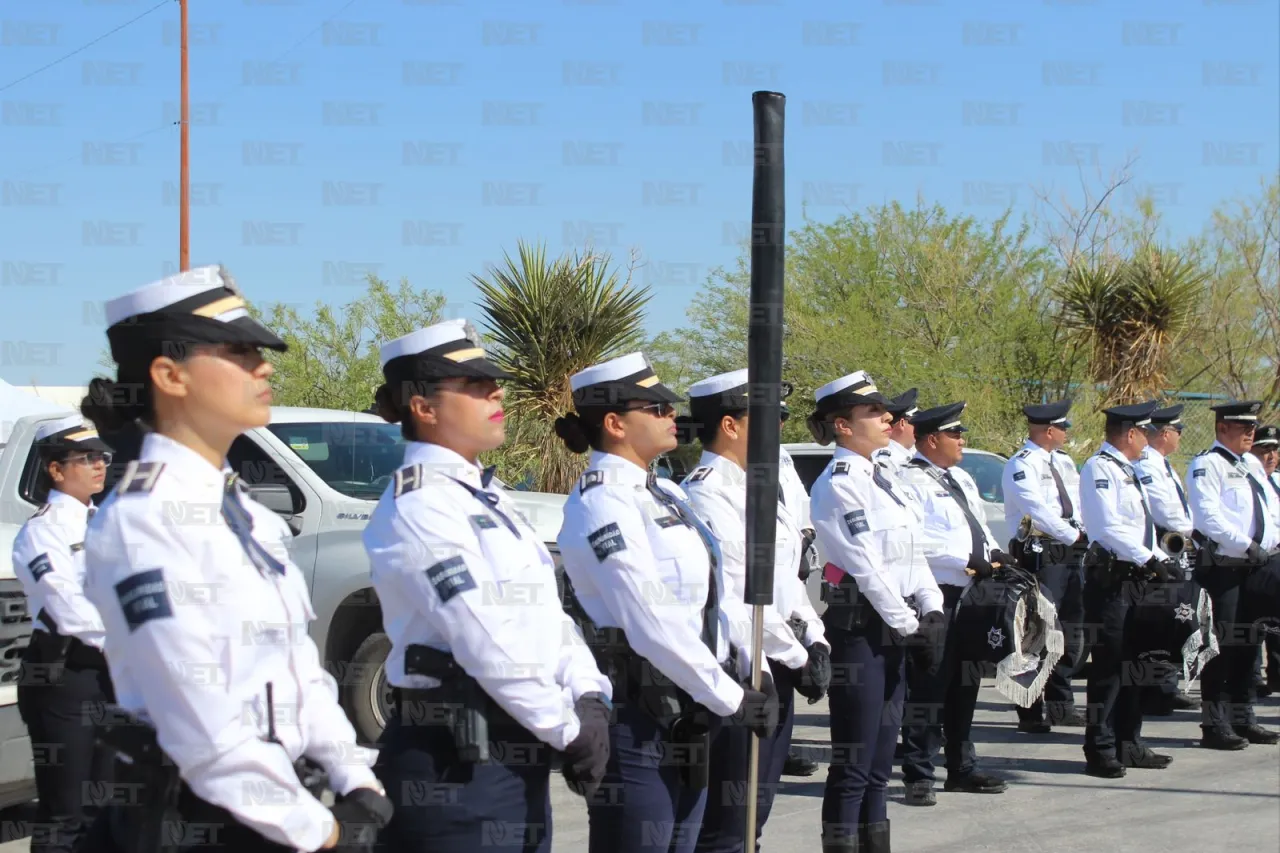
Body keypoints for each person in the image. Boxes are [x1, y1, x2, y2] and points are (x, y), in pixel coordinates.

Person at [79, 266, 392, 852]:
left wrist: (351, 772)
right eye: (241, 352)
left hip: (273, 806)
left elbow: (296, 663)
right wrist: (320, 832)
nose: (265, 366)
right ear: (170, 375)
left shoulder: (242, 513)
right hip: (199, 820)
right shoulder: (144, 520)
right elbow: (202, 723)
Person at [362, 320, 612, 853]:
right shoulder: (421, 504)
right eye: (474, 386)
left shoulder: (488, 496)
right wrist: (568, 731)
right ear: (423, 408)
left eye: (493, 381)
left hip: (514, 750)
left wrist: (588, 693)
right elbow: (485, 636)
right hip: (453, 767)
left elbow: (547, 614)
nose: (495, 392)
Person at [555, 353, 778, 853]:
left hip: (690, 709)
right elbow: (649, 617)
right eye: (655, 407)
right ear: (614, 424)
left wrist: (748, 666)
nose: (669, 413)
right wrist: (731, 697)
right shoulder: (601, 503)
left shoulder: (667, 493)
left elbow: (715, 596)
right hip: (638, 716)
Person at [677, 369, 831, 852]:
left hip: (777, 663)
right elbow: (742, 591)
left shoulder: (757, 486)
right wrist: (798, 655)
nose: (778, 429)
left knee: (755, 815)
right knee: (728, 825)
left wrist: (815, 636)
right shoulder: (706, 493)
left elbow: (784, 578)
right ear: (730, 425)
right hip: (743, 671)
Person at [807, 371, 943, 853]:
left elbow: (912, 554)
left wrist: (932, 609)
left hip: (896, 630)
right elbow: (865, 565)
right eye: (873, 412)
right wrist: (911, 627)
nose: (888, 418)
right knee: (855, 759)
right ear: (842, 425)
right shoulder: (839, 485)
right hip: (861, 631)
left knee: (882, 759)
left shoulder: (885, 478)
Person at [896, 402, 1010, 806]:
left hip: (973, 595)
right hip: (938, 594)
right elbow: (915, 540)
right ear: (931, 440)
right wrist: (964, 561)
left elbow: (976, 526)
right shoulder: (907, 480)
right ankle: (918, 772)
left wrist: (997, 553)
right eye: (954, 434)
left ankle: (961, 767)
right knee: (929, 687)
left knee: (966, 684)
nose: (962, 441)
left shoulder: (959, 476)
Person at [13, 416, 114, 853]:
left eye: (102, 456)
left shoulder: (105, 522)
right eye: (87, 457)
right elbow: (69, 610)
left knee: (105, 808)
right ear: (56, 469)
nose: (99, 465)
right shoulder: (43, 531)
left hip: (108, 674)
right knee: (65, 813)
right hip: (64, 675)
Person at [1077, 401, 1179, 778]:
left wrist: (1160, 560)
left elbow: (1140, 528)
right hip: (1113, 582)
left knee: (1136, 664)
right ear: (1131, 434)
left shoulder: (1128, 471)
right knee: (1108, 668)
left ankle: (1128, 742)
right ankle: (1100, 747)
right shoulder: (1099, 468)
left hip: (1138, 580)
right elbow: (1107, 529)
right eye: (1145, 433)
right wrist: (1149, 559)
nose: (1149, 441)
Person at [1187, 401, 1280, 749]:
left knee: (1249, 645)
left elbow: (1270, 510)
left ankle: (1244, 717)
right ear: (1223, 428)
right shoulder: (1206, 465)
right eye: (1244, 429)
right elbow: (1208, 517)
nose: (1250, 435)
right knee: (1222, 647)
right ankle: (1215, 725)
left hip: (1259, 566)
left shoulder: (1252, 465)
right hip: (1225, 569)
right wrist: (1246, 544)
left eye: (1252, 429)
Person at [1001, 399, 1088, 733]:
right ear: (1049, 430)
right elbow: (1036, 509)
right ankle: (1029, 707)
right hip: (1041, 553)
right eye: (1063, 428)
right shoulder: (1021, 464)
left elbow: (1075, 503)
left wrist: (1083, 533)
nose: (1067, 433)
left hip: (1070, 552)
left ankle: (1061, 704)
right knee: (1037, 631)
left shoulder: (1063, 462)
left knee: (1069, 631)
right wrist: (1072, 535)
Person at [1133, 404, 1200, 713]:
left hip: (1175, 549)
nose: (1180, 435)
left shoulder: (1164, 464)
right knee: (1158, 624)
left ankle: (1166, 686)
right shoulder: (1147, 465)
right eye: (1177, 430)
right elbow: (1164, 510)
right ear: (1163, 434)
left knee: (1172, 621)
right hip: (1161, 548)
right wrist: (1191, 530)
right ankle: (1154, 691)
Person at [1247, 424, 1280, 696]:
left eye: (1274, 450)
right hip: (1253, 559)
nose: (1270, 456)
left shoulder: (1277, 481)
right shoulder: (1246, 481)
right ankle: (1253, 676)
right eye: (1263, 450)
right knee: (1254, 622)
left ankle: (1277, 674)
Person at [870, 389, 917, 474]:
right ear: (902, 424)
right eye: (916, 423)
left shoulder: (912, 452)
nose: (920, 427)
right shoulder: (886, 459)